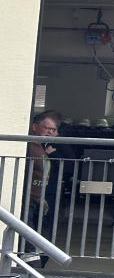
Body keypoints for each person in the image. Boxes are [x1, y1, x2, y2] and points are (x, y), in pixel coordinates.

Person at [25, 110, 62, 267]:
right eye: (47, 128)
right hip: (27, 200)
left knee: (41, 239)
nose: (50, 132)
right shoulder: (28, 147)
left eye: (53, 130)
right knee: (29, 239)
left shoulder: (42, 149)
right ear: (35, 126)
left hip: (38, 201)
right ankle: (32, 268)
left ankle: (36, 264)